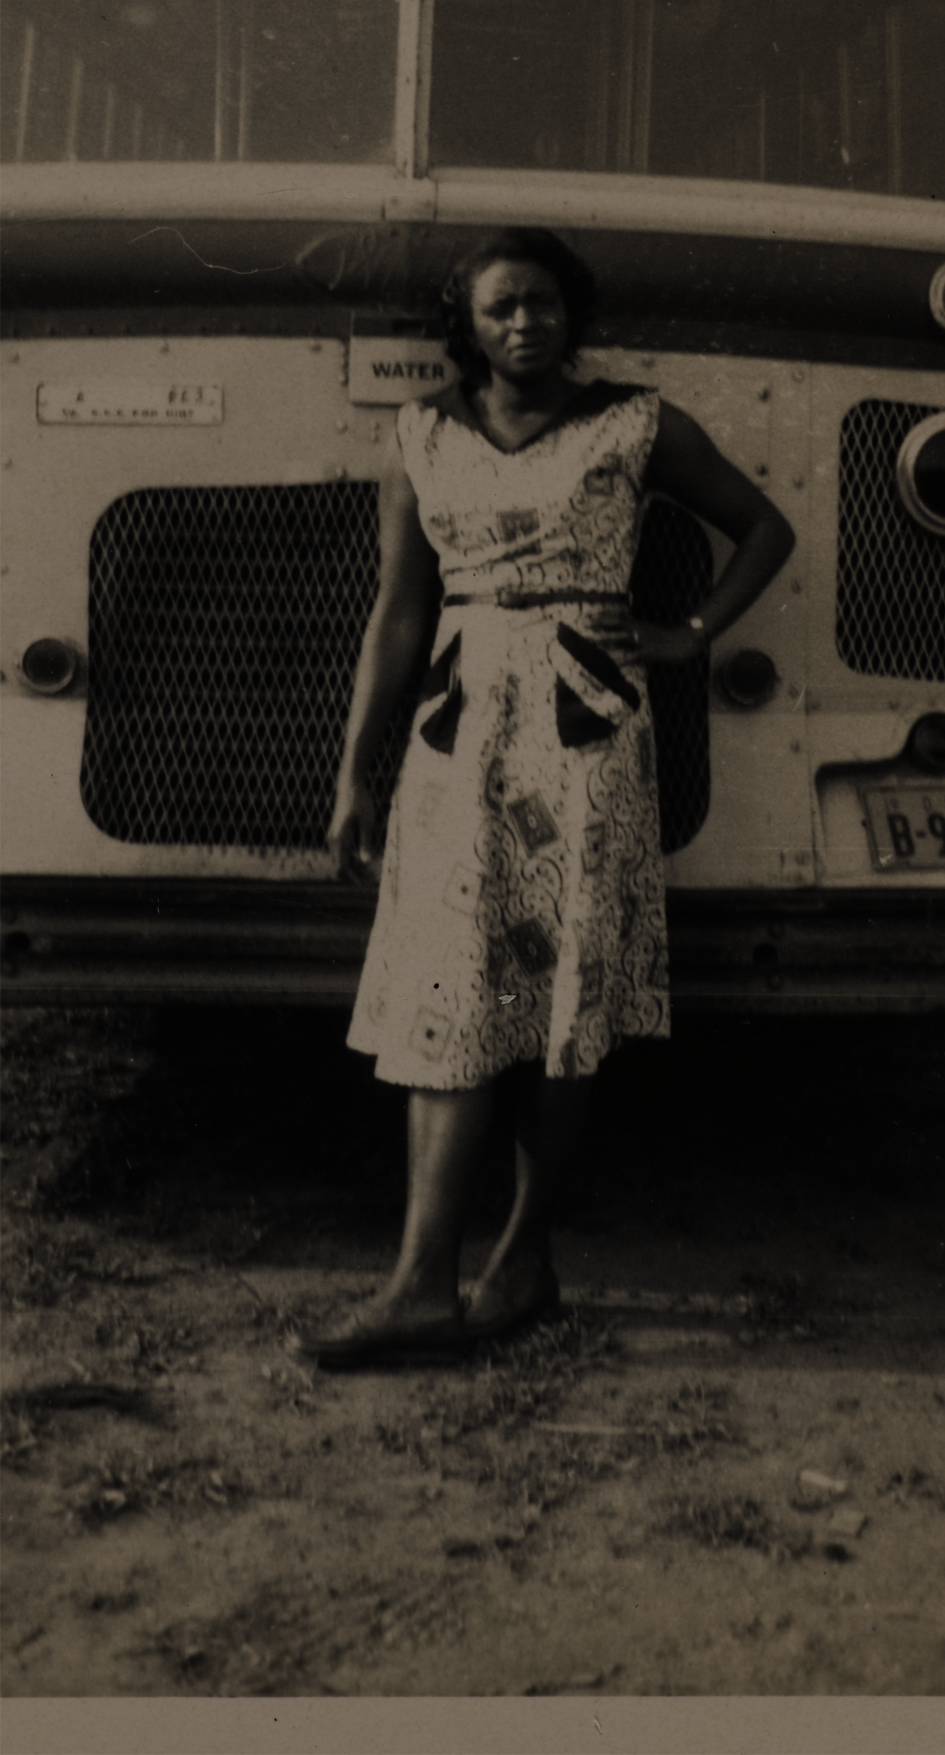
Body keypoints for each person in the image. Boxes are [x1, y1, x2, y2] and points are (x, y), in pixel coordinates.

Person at [295, 227, 795, 1370]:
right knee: (446, 992)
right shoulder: (419, 434)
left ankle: (522, 1255)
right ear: (466, 325)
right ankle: (421, 1281)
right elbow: (399, 616)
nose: (525, 323)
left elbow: (767, 526)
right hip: (458, 741)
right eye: (502, 307)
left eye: (545, 304)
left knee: (566, 1000)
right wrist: (352, 770)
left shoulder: (637, 423)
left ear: (574, 315)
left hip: (584, 738)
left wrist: (691, 634)